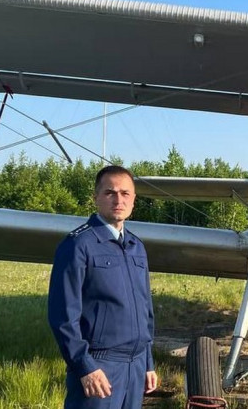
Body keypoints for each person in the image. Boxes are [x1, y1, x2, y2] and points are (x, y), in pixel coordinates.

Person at [48, 165, 159, 408]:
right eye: (110, 193)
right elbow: (62, 315)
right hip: (100, 366)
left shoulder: (136, 247)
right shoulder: (78, 245)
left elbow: (145, 309)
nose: (118, 200)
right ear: (96, 197)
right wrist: (84, 366)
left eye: (125, 193)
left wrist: (147, 362)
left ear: (134, 200)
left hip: (135, 366)